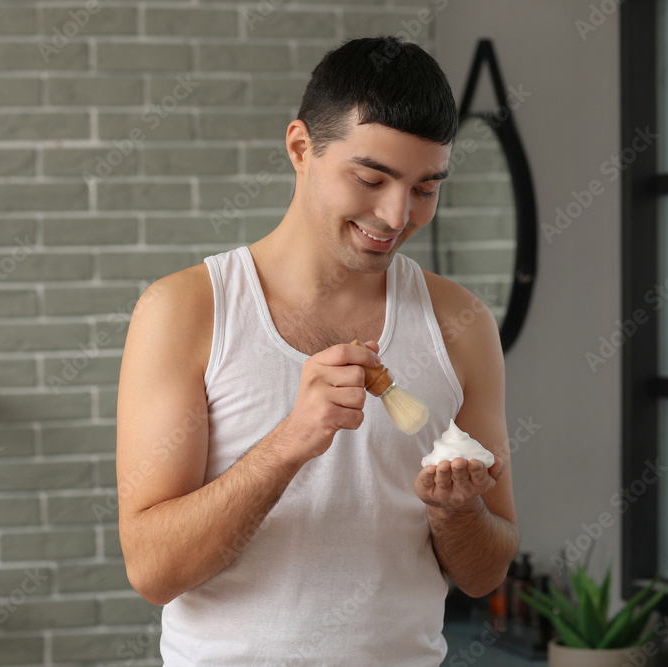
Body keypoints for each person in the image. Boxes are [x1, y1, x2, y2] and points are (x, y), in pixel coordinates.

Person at [116, 36, 519, 665]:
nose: (396, 215)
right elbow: (152, 570)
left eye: (425, 189)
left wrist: (456, 514)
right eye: (371, 178)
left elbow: (485, 573)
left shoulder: (461, 324)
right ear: (301, 148)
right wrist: (291, 441)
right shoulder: (185, 312)